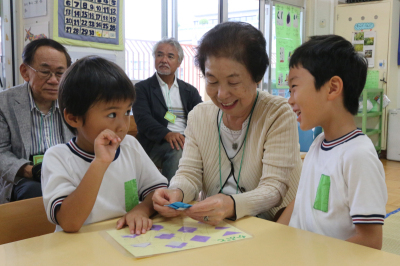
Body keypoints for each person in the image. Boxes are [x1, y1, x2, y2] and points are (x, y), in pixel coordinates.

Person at [152, 22, 302, 225]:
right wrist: (176, 192)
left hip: (271, 225)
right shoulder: (199, 115)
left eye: (233, 82)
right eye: (212, 81)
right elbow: (189, 173)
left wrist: (231, 204)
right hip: (216, 227)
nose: (222, 94)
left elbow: (273, 189)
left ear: (256, 77)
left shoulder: (276, 113)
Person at [277, 35, 387, 250]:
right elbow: (301, 201)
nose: (290, 99)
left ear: (333, 88)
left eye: (295, 87)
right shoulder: (318, 143)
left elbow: (371, 241)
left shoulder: (358, 155)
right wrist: (274, 237)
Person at [41, 56, 168, 233]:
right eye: (111, 115)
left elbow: (158, 191)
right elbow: (70, 222)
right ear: (73, 117)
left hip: (124, 239)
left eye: (127, 112)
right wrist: (100, 163)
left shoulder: (129, 146)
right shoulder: (58, 157)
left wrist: (141, 210)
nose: (123, 125)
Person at [0, 38, 73, 204]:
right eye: (45, 72)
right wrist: (32, 171)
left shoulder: (73, 101)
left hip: (68, 173)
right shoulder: (4, 103)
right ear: (25, 72)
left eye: (60, 73)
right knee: (35, 191)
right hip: (24, 178)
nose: (54, 80)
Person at [132, 38, 202, 181]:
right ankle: (170, 196)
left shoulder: (189, 91)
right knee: (177, 150)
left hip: (187, 140)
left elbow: (201, 117)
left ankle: (201, 197)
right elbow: (143, 120)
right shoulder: (142, 89)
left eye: (170, 56)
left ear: (179, 62)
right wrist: (167, 134)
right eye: (159, 55)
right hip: (156, 144)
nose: (164, 60)